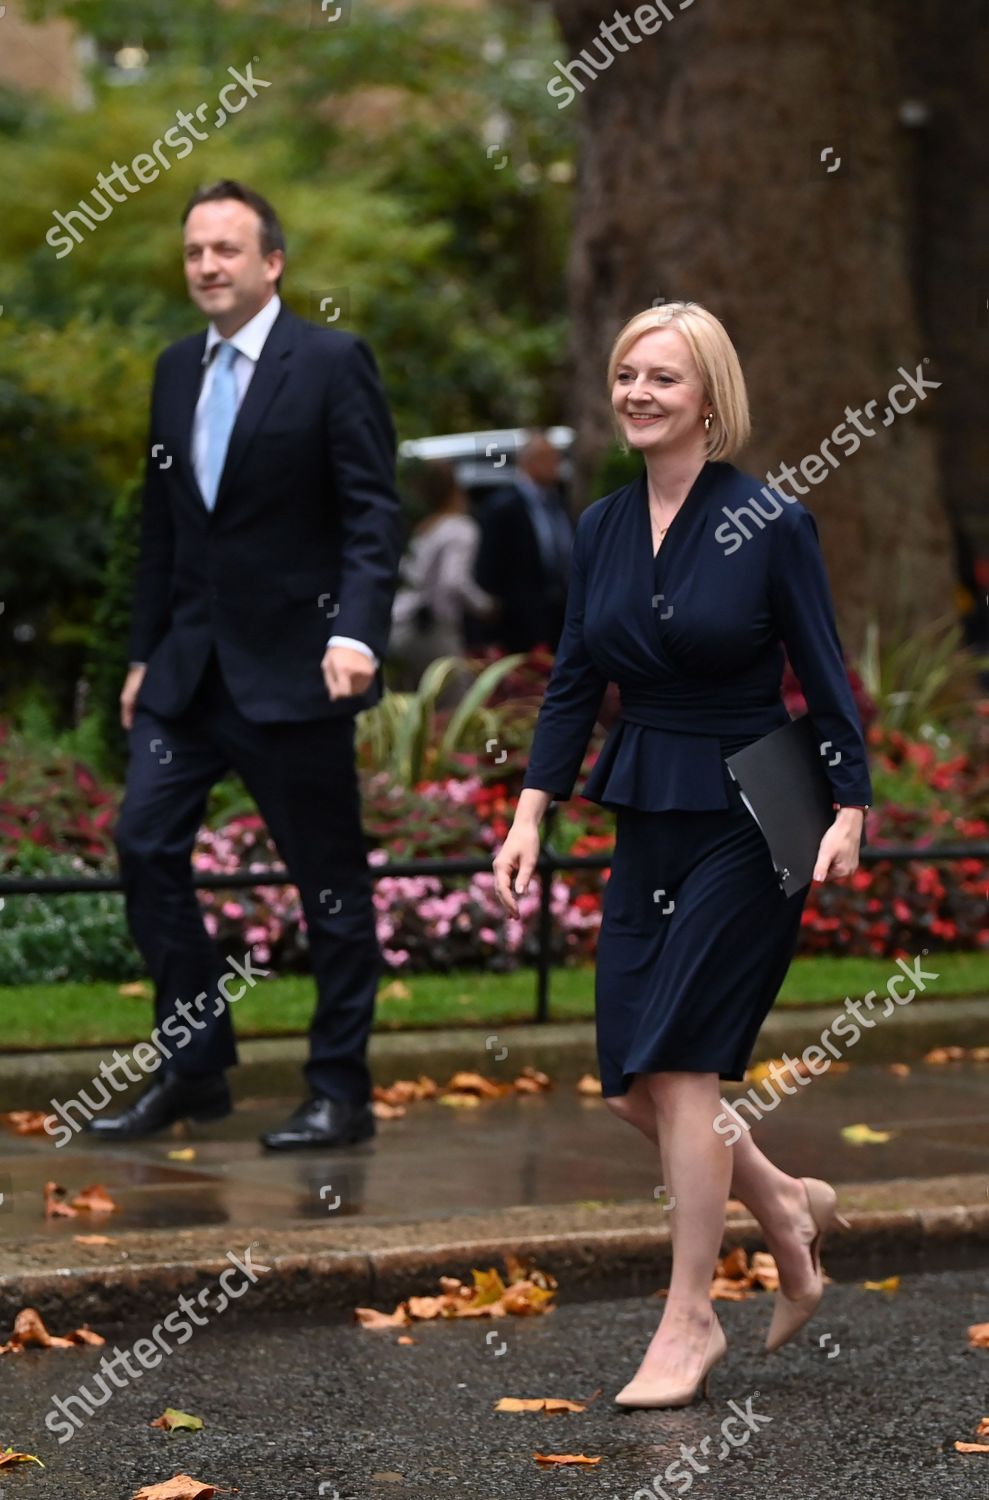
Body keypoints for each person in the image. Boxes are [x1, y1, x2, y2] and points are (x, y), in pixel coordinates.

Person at [493, 302, 872, 1408]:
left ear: (708, 396)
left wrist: (847, 801)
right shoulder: (603, 524)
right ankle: (784, 1205)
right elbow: (573, 677)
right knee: (632, 1083)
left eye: (661, 377)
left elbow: (823, 671)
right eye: (624, 374)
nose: (637, 393)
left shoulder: (768, 520)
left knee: (686, 1065)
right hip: (647, 800)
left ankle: (688, 1317)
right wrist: (529, 809)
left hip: (761, 809)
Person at [88, 179, 402, 1151]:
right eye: (193, 252)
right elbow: (163, 530)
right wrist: (143, 653)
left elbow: (370, 515)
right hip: (187, 677)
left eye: (226, 249)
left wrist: (354, 634)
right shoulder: (175, 370)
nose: (207, 267)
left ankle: (340, 1092)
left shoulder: (331, 362)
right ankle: (193, 1071)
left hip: (297, 673)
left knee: (330, 887)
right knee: (144, 847)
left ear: (271, 264)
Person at [388, 459, 497, 692]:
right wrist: (485, 606)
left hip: (397, 627)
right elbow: (453, 581)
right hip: (432, 629)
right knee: (454, 705)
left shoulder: (423, 527)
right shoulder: (460, 528)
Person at [473, 431, 574, 653]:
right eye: (549, 458)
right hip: (519, 621)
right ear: (528, 462)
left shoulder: (558, 503)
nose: (556, 465)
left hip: (559, 614)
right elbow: (488, 569)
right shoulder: (503, 507)